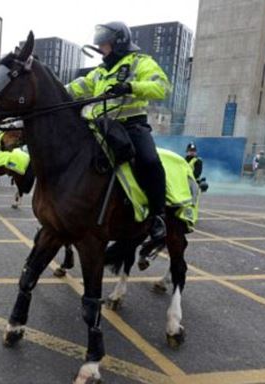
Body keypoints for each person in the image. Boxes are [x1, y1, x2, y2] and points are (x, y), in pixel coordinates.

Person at [65, 21, 171, 265]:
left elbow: (162, 87)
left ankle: (158, 217)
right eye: (100, 44)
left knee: (150, 161)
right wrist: (53, 91)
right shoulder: (100, 72)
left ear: (119, 42)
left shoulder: (140, 62)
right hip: (103, 126)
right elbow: (77, 88)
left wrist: (131, 86)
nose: (101, 48)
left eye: (105, 43)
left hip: (131, 125)